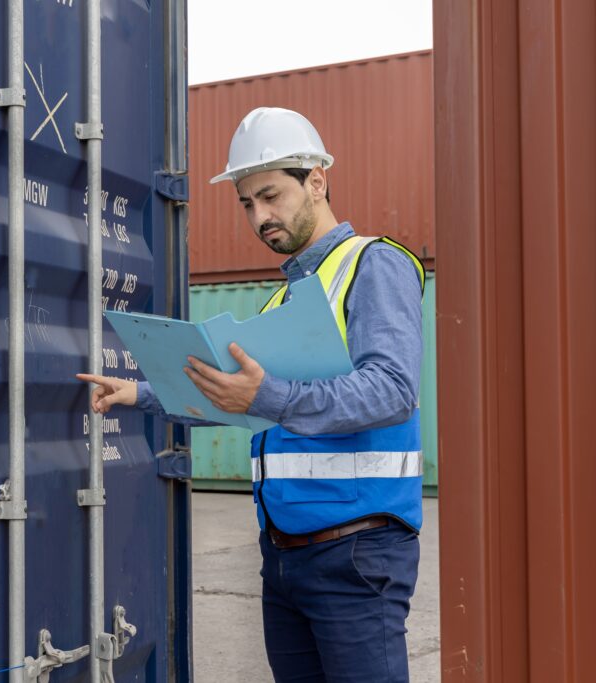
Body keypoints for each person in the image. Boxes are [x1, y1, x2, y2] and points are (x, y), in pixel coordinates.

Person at [77, 107, 425, 683]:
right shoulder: (284, 300)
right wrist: (137, 393)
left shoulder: (373, 264)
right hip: (285, 558)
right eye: (246, 204)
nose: (259, 217)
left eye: (270, 196)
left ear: (316, 179)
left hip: (358, 557)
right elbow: (235, 401)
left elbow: (391, 391)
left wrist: (271, 396)